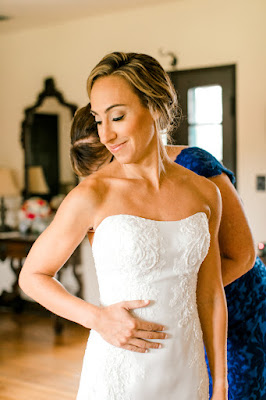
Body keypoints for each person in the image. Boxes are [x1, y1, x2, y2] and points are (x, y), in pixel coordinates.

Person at [19, 52, 228, 400]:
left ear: (156, 108)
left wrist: (220, 382)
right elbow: (32, 276)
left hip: (188, 371)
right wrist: (96, 318)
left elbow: (209, 294)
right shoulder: (92, 194)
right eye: (99, 120)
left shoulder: (205, 193)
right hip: (121, 370)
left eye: (117, 116)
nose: (106, 134)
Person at [70, 103, 266, 400]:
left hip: (240, 309)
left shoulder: (196, 166)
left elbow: (243, 256)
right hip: (176, 327)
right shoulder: (100, 193)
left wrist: (181, 297)